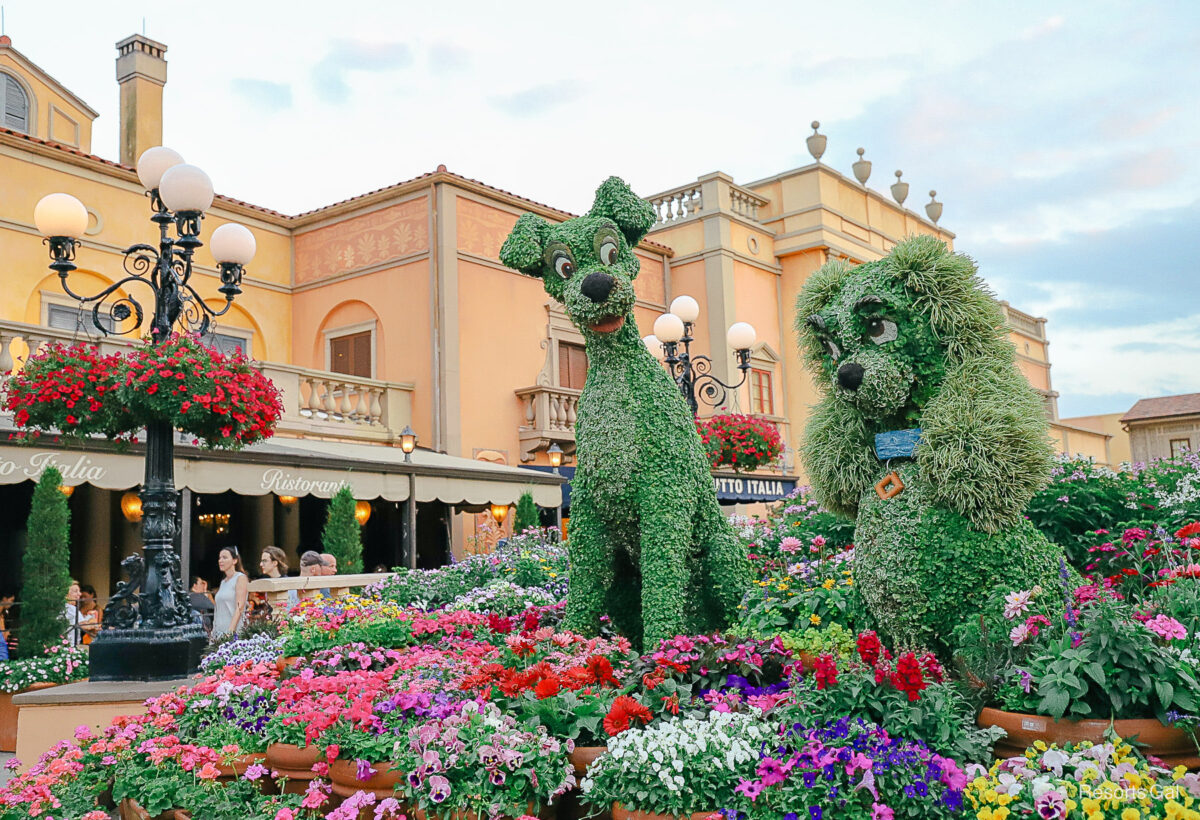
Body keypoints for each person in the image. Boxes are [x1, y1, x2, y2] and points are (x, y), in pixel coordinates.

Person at [212, 546, 249, 637]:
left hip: (233, 632)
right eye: (219, 558)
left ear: (234, 561)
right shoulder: (223, 582)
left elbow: (239, 607)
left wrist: (230, 632)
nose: (220, 560)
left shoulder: (240, 578)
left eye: (224, 557)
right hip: (219, 631)